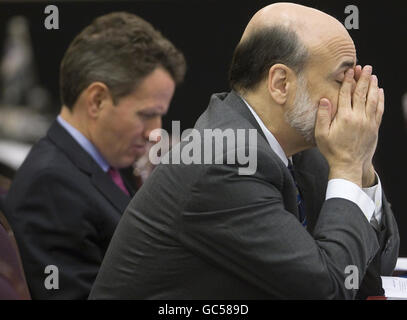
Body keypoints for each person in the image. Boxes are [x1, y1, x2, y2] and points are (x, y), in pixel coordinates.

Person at [89, 3, 399, 299]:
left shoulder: (303, 150)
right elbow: (327, 290)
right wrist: (347, 164)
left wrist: (361, 167)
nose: (354, 95)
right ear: (280, 84)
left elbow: (374, 271)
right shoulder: (225, 160)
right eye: (341, 80)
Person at [5, 12, 186, 299]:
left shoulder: (104, 164)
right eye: (147, 115)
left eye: (161, 116)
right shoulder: (51, 185)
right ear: (97, 100)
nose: (155, 132)